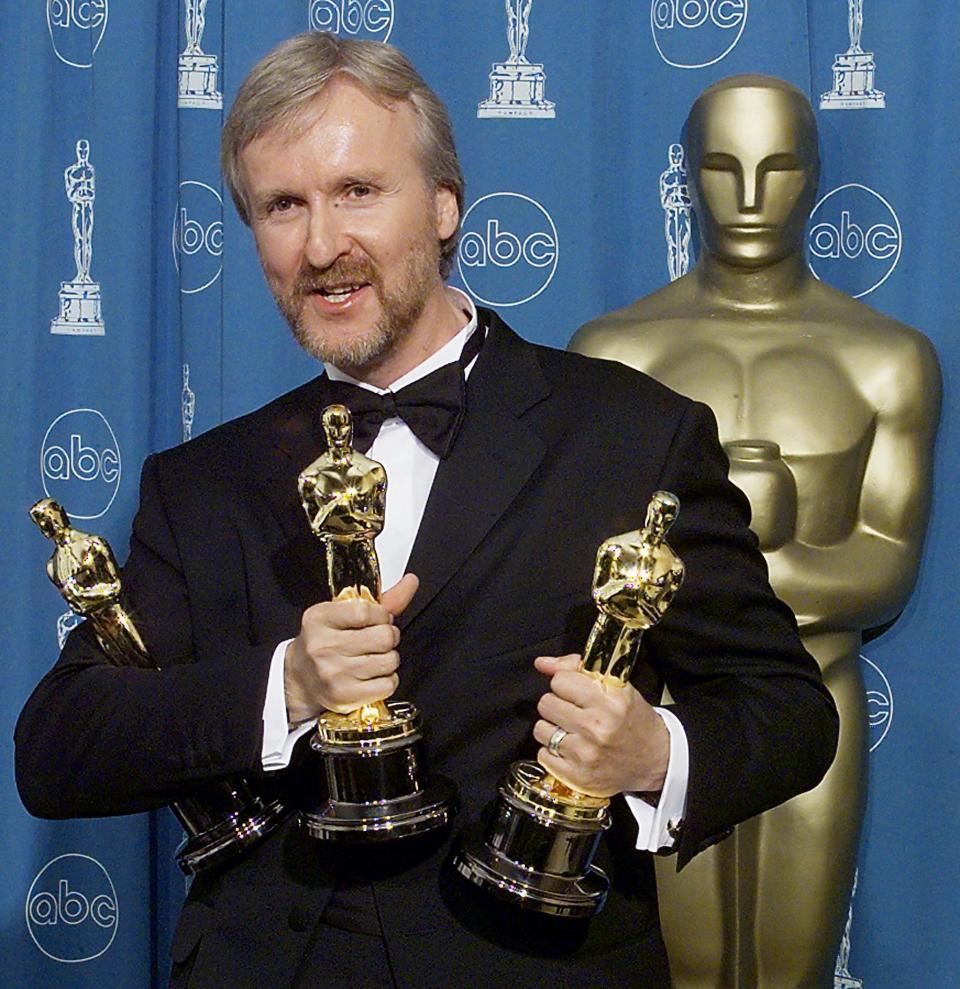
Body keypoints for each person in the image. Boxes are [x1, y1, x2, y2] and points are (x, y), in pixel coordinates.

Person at [16, 37, 838, 989]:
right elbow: (59, 746)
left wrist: (659, 751)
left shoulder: (630, 435)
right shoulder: (201, 481)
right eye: (284, 205)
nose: (322, 245)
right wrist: (284, 685)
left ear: (446, 204)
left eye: (358, 190)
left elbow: (787, 710)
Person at [571, 75, 940, 989]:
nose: (747, 198)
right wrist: (772, 551)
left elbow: (886, 564)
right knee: (680, 962)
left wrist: (707, 565)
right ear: (687, 176)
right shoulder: (616, 352)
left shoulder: (886, 358)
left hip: (817, 692)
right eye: (723, 168)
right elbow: (593, 565)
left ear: (813, 177)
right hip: (662, 698)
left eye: (775, 169)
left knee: (792, 966)